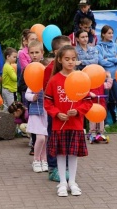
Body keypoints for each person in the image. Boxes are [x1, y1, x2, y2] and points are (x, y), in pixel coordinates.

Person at [44, 45, 93, 197]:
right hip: (60, 125)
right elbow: (47, 103)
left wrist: (78, 111)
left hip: (76, 124)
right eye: (67, 59)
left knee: (72, 155)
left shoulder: (81, 78)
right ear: (59, 60)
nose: (70, 62)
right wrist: (57, 113)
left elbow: (88, 101)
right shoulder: (54, 80)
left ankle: (72, 181)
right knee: (60, 154)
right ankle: (62, 183)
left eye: (73, 59)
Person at [42, 35, 71, 181]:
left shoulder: (72, 70)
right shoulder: (49, 70)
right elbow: (48, 95)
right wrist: (56, 112)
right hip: (55, 113)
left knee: (67, 140)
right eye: (64, 49)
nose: (69, 52)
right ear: (56, 53)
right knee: (54, 139)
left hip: (69, 113)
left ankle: (66, 167)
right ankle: (53, 168)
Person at [96, 25, 117, 126]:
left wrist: (109, 59)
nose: (111, 35)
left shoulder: (115, 45)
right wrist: (114, 59)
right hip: (105, 78)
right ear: (103, 34)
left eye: (112, 33)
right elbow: (101, 62)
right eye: (109, 33)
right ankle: (106, 122)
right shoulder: (98, 47)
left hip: (116, 76)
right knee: (106, 100)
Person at [25, 87, 48, 173]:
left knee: (45, 137)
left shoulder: (49, 80)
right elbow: (27, 94)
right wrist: (33, 97)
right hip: (35, 111)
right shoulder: (34, 82)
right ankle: (36, 160)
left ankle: (44, 160)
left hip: (47, 112)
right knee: (40, 137)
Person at [88, 72, 113, 138]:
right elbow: (85, 90)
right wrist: (90, 93)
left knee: (101, 117)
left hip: (101, 103)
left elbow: (108, 86)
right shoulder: (89, 85)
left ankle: (101, 131)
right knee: (92, 118)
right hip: (92, 104)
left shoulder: (102, 84)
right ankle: (92, 131)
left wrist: (109, 77)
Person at [18, 30, 38, 106]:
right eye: (32, 39)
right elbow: (27, 67)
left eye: (36, 39)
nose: (34, 41)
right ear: (26, 42)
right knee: (26, 105)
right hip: (26, 81)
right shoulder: (22, 53)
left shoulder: (39, 51)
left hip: (36, 80)